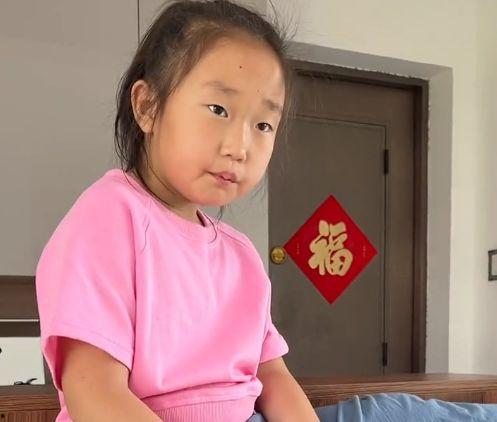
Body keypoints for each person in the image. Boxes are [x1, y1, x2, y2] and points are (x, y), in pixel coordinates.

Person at [35, 0, 322, 420]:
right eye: (219, 110)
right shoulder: (108, 218)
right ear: (147, 107)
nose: (239, 147)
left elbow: (274, 376)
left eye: (263, 125)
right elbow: (93, 390)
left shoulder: (241, 255)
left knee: (401, 409)